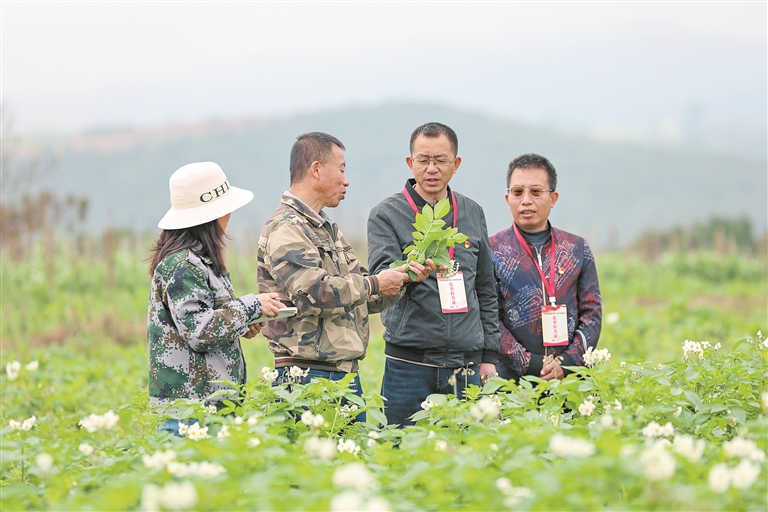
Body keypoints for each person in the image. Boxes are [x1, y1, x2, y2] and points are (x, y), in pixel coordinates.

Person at [257, 132, 422, 399]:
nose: (347, 181)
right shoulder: (286, 227)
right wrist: (377, 283)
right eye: (342, 170)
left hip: (341, 375)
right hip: (306, 377)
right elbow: (315, 292)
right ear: (316, 169)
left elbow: (360, 296)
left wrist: (404, 279)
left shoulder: (325, 228)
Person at [367, 122, 500, 427]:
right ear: (409, 163)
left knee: (467, 455)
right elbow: (381, 279)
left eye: (440, 161)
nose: (431, 169)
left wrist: (489, 355)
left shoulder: (472, 212)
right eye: (423, 160)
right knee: (402, 452)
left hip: (465, 363)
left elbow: (485, 287)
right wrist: (409, 273)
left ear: (456, 164)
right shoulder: (386, 214)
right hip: (408, 363)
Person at [147, 161, 283, 436]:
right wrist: (251, 305)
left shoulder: (200, 262)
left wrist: (244, 323)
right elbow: (199, 331)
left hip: (209, 409)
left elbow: (205, 319)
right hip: (191, 413)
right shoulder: (182, 265)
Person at [490, 153, 602, 382]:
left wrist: (568, 363)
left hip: (571, 381)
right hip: (513, 383)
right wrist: (531, 364)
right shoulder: (492, 251)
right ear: (507, 198)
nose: (526, 200)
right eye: (518, 192)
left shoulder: (576, 248)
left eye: (537, 191)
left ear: (553, 198)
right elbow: (488, 317)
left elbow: (592, 312)